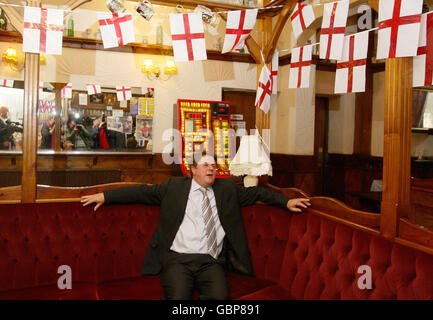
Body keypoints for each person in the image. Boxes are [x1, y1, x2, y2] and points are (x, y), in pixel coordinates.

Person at [81, 154, 311, 300]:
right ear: (192, 170)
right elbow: (141, 191)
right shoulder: (174, 187)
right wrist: (105, 196)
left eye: (214, 165)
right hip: (178, 259)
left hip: (211, 261)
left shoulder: (227, 189)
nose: (211, 169)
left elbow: (258, 192)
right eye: (205, 165)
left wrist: (286, 201)